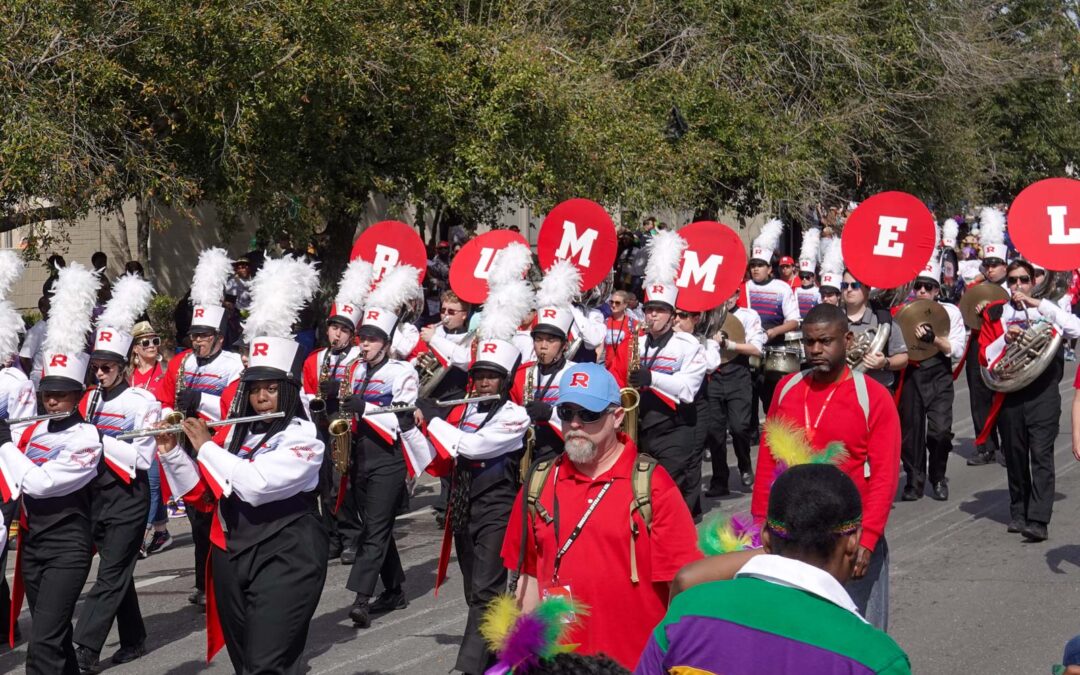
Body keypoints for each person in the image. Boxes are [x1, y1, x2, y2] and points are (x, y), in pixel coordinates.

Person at [156, 256, 326, 672]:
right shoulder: (236, 434)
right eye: (255, 390)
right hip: (233, 551)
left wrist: (206, 447)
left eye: (272, 389)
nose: (262, 397)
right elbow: (199, 492)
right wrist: (173, 452)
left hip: (287, 551)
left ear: (288, 392)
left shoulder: (304, 439)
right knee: (245, 661)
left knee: (264, 662)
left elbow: (254, 485)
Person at [502, 363, 701, 670]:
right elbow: (527, 576)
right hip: (561, 665)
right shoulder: (539, 482)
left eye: (589, 414)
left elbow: (686, 587)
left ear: (617, 416)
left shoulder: (652, 485)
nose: (576, 424)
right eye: (567, 413)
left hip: (636, 664)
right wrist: (521, 658)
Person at [639, 465, 911, 675]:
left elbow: (686, 579)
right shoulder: (875, 658)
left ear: (766, 536)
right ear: (853, 542)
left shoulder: (688, 613)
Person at [751, 303, 901, 630]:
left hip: (848, 539)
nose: (816, 350)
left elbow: (884, 476)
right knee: (798, 631)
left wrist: (868, 539)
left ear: (847, 339)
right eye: (809, 342)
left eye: (825, 341)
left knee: (858, 633)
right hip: (792, 538)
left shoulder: (873, 396)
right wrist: (760, 522)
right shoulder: (786, 388)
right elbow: (768, 460)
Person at [425, 248, 532, 674]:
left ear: (505, 382)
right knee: (476, 591)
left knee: (486, 589)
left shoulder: (514, 414)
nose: (483, 382)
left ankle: (467, 666)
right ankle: (504, 644)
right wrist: (416, 419)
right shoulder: (464, 408)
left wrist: (433, 420)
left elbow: (471, 448)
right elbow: (437, 452)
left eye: (492, 377)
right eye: (479, 376)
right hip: (464, 504)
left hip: (498, 506)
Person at [0, 262, 103, 674]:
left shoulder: (86, 439)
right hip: (34, 545)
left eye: (61, 395)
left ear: (78, 395)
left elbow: (40, 484)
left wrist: (5, 443)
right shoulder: (34, 430)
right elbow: (10, 480)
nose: (52, 402)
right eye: (48, 394)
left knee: (41, 647)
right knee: (55, 638)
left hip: (67, 546)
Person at [72, 274, 161, 673]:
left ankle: (86, 648)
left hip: (128, 495)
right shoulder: (89, 400)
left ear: (123, 367)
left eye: (107, 367)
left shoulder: (142, 402)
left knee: (108, 574)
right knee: (116, 567)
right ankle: (135, 637)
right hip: (96, 494)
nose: (100, 374)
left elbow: (142, 458)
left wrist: (98, 439)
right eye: (96, 367)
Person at [159, 248, 244, 607]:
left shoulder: (232, 364)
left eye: (205, 335)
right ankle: (202, 584)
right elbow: (163, 398)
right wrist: (172, 414)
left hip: (218, 444)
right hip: (187, 445)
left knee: (223, 517)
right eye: (194, 334)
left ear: (220, 338)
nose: (198, 340)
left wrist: (202, 407)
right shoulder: (179, 361)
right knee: (196, 518)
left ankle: (230, 580)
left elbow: (235, 408)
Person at [344, 266, 425, 629]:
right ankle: (394, 588)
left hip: (388, 458)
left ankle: (361, 598)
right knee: (375, 526)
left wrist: (366, 409)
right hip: (358, 456)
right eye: (362, 338)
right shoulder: (354, 370)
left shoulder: (402, 372)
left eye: (372, 339)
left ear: (387, 342)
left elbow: (400, 421)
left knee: (374, 530)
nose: (364, 344)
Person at [979, 260, 1080, 541]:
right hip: (1011, 392)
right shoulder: (997, 313)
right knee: (1015, 455)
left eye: (1024, 280)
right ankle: (1019, 511)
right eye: (1013, 281)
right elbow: (985, 356)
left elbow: (1076, 330)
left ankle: (1038, 520)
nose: (1018, 286)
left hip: (1043, 393)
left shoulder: (1050, 309)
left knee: (1041, 455)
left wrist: (1038, 305)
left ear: (1033, 281)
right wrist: (1005, 340)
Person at [628, 234, 707, 514]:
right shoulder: (635, 344)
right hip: (641, 429)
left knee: (666, 492)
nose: (652, 316)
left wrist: (652, 378)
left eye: (660, 311)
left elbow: (687, 389)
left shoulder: (688, 345)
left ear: (673, 315)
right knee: (641, 493)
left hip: (676, 428)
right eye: (649, 310)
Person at [302, 260, 369, 562]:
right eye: (334, 328)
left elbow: (368, 390)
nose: (337, 335)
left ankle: (352, 535)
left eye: (344, 330)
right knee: (324, 484)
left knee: (345, 483)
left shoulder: (360, 358)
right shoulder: (316, 359)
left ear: (353, 334)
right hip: (322, 425)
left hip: (350, 429)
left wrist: (341, 387)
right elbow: (305, 393)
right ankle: (332, 536)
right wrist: (316, 398)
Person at [898, 261, 965, 502]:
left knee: (940, 432)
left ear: (937, 290)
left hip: (939, 374)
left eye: (929, 287)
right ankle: (914, 480)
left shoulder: (950, 312)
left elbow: (957, 350)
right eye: (919, 286)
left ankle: (938, 476)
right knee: (910, 432)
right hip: (912, 375)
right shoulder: (902, 311)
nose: (923, 291)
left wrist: (934, 339)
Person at [705, 288, 765, 497]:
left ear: (737, 295)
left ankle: (745, 463)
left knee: (740, 427)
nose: (727, 299)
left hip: (738, 375)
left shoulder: (748, 316)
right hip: (713, 376)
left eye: (731, 295)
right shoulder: (707, 316)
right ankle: (719, 480)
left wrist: (728, 344)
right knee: (715, 432)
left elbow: (757, 349)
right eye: (723, 295)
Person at [967, 207, 1009, 466]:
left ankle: (1008, 443)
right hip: (978, 343)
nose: (991, 269)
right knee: (979, 395)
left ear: (1005, 265)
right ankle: (985, 445)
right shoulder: (977, 287)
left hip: (1004, 344)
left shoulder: (1012, 287)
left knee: (1003, 393)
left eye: (995, 265)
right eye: (988, 264)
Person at [131, 320, 171, 556]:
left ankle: (140, 538)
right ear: (135, 348)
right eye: (146, 342)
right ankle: (162, 530)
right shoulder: (128, 375)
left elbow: (170, 403)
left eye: (155, 341)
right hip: (135, 438)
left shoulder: (165, 372)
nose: (152, 346)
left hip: (158, 437)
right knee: (141, 485)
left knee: (153, 485)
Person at [842, 271, 908, 390]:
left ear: (867, 288)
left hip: (877, 391)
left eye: (855, 285)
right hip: (843, 390)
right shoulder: (834, 318)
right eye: (845, 286)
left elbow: (903, 358)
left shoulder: (884, 320)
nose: (849, 290)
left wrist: (885, 363)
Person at [603, 290, 638, 388]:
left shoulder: (633, 324)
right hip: (607, 370)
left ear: (625, 305)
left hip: (624, 374)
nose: (613, 305)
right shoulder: (604, 322)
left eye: (617, 303)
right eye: (611, 302)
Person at [19, 295, 50, 385]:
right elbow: (24, 357)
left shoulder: (57, 327)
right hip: (39, 380)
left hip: (54, 376)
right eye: (51, 304)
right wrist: (32, 372)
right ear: (43, 309)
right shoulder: (36, 330)